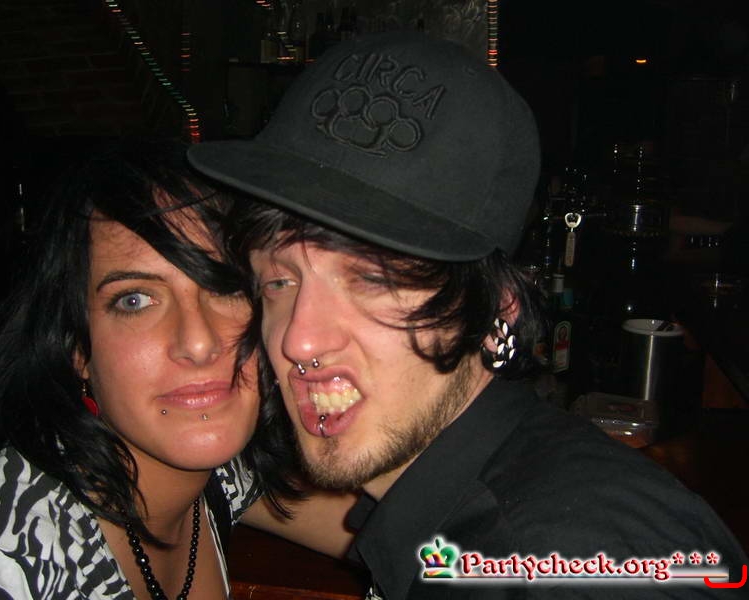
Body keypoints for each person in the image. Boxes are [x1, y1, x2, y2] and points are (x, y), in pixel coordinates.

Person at [188, 32, 749, 598]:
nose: (300, 341)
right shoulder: (445, 512)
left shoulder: (558, 564)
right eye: (279, 281)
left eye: (374, 279)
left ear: (495, 309)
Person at [0, 138, 310, 600]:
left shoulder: (221, 477)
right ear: (77, 349)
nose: (198, 342)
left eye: (225, 286)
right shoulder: (6, 560)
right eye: (135, 300)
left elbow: (397, 531)